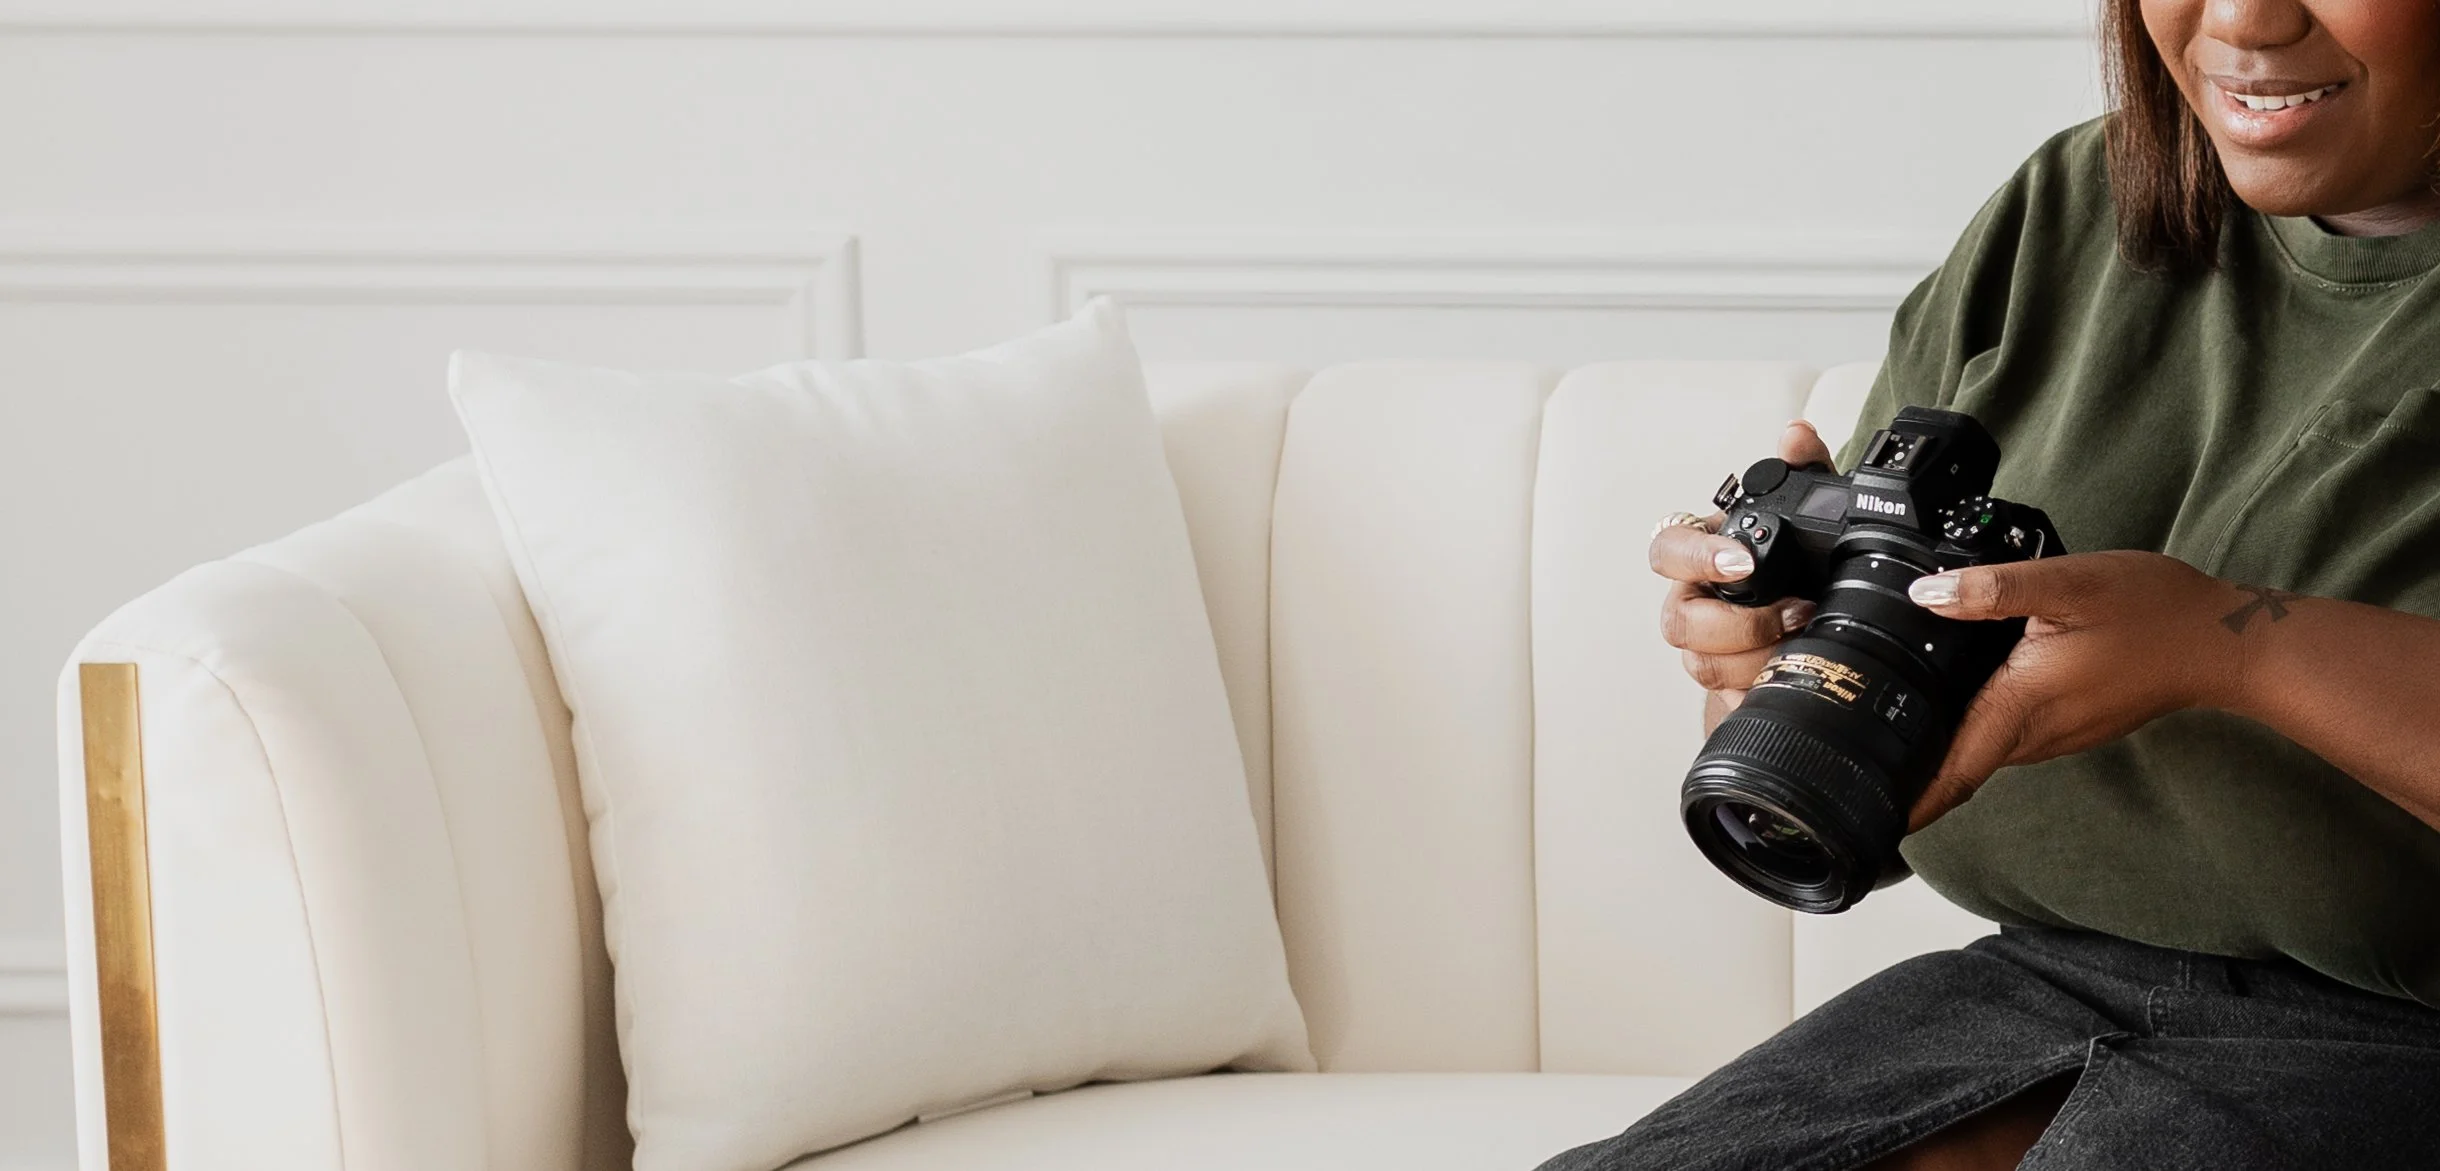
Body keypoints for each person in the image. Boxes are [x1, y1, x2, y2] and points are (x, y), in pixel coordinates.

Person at [1541, 1, 2440, 1168]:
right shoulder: (2074, 206)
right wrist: (1770, 646)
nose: (2243, 21)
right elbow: (1867, 731)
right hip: (2036, 989)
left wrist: (2232, 647)